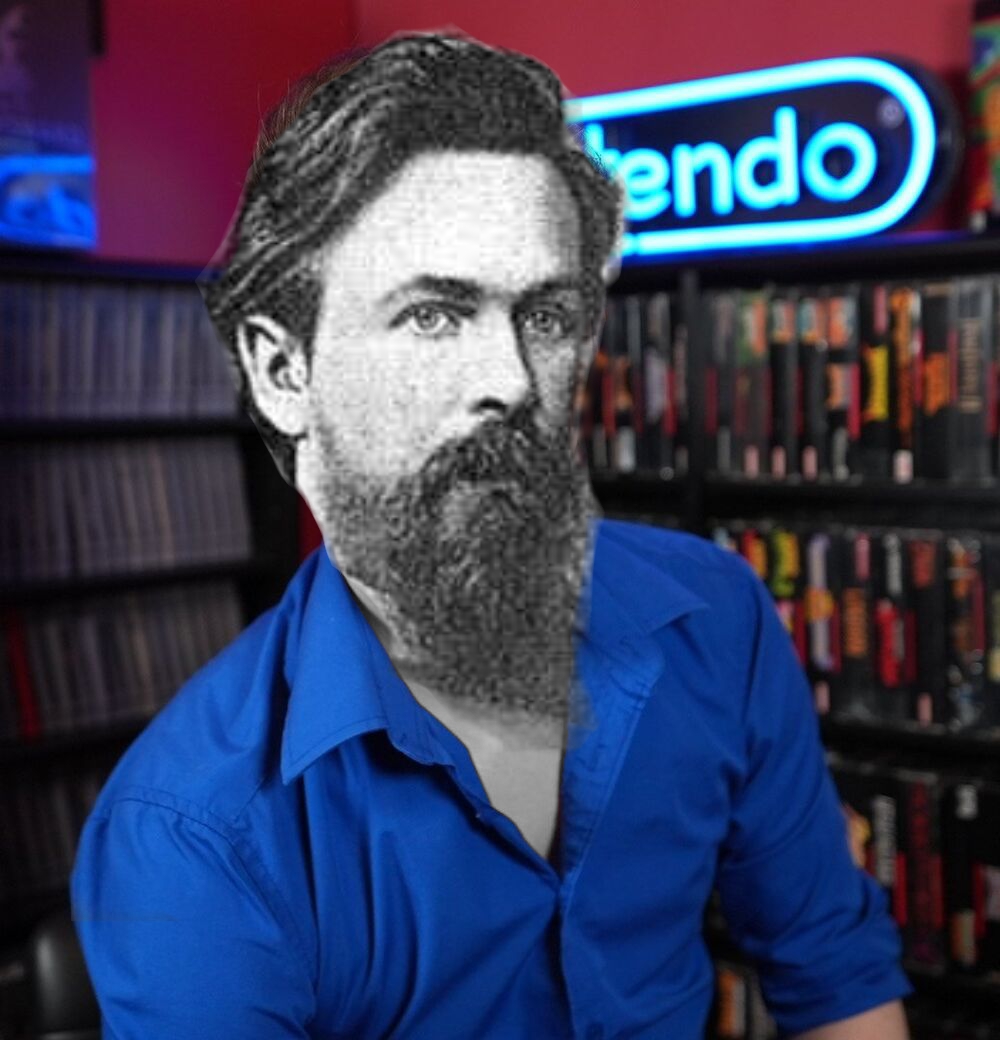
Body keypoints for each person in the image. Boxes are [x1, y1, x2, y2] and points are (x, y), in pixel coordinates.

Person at [70, 32, 913, 1039]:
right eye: (433, 315)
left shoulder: (712, 618)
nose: (510, 382)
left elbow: (833, 970)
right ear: (283, 373)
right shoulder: (193, 832)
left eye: (545, 317)